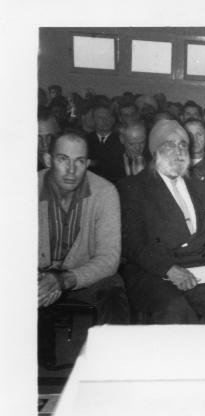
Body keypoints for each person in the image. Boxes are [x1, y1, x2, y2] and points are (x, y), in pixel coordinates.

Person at [119, 120, 205, 324]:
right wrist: (169, 269)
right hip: (151, 270)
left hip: (194, 266)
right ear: (155, 150)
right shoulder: (134, 187)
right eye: (169, 145)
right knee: (177, 309)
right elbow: (133, 244)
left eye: (182, 145)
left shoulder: (200, 184)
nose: (178, 151)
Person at [38, 131, 130, 365]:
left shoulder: (105, 192)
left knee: (114, 292)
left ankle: (110, 368)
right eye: (63, 159)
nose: (71, 170)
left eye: (79, 161)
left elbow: (109, 258)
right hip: (35, 275)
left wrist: (64, 280)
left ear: (88, 163)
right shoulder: (23, 188)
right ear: (48, 160)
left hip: (83, 273)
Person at [87, 103, 124, 184]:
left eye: (108, 117)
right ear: (93, 120)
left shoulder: (121, 140)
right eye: (100, 117)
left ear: (113, 119)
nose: (105, 120)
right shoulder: (85, 140)